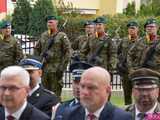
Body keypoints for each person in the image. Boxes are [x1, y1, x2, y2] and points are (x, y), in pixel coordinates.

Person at [63, 67, 132, 120]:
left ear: (107, 90)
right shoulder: (68, 114)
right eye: (82, 86)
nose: (85, 92)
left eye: (91, 87)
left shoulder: (122, 117)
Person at [34, 15, 72, 97]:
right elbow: (37, 48)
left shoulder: (62, 36)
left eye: (51, 22)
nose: (49, 24)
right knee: (44, 92)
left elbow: (68, 51)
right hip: (44, 67)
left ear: (56, 23)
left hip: (56, 68)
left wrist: (62, 67)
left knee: (55, 93)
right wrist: (38, 62)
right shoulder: (44, 35)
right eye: (48, 22)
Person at [117, 20, 142, 105]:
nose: (131, 30)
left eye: (133, 28)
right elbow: (117, 51)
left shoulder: (141, 41)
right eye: (129, 28)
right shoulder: (124, 40)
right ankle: (128, 113)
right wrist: (119, 63)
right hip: (125, 72)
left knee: (138, 93)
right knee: (127, 94)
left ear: (137, 29)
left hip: (136, 71)